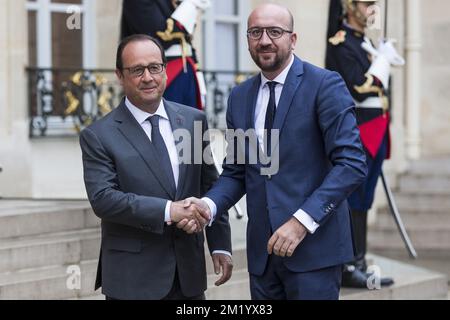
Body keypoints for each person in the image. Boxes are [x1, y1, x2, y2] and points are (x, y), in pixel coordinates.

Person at [182, 3, 368, 300]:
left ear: (292, 39)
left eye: (274, 32)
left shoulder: (324, 85)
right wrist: (209, 206)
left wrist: (300, 223)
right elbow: (237, 172)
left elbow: (352, 164)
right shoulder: (240, 96)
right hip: (263, 259)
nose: (265, 40)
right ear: (247, 39)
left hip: (314, 255)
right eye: (255, 32)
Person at [79, 34, 232, 300]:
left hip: (188, 278)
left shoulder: (192, 120)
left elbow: (210, 184)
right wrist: (169, 211)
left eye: (154, 67)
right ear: (119, 75)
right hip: (133, 281)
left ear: (164, 69)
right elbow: (104, 199)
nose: (148, 77)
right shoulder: (98, 135)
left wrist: (220, 245)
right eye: (137, 70)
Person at [326, 0, 404, 288]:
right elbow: (358, 89)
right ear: (349, 7)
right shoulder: (341, 43)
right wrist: (382, 62)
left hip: (376, 129)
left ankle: (359, 261)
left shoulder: (365, 43)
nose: (372, 8)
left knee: (365, 198)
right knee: (354, 198)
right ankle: (348, 264)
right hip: (358, 129)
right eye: (367, 3)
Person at [121, 0, 210, 109]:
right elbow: (159, 35)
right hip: (162, 72)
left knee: (192, 121)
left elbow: (185, 41)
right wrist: (189, 5)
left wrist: (198, 74)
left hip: (186, 70)